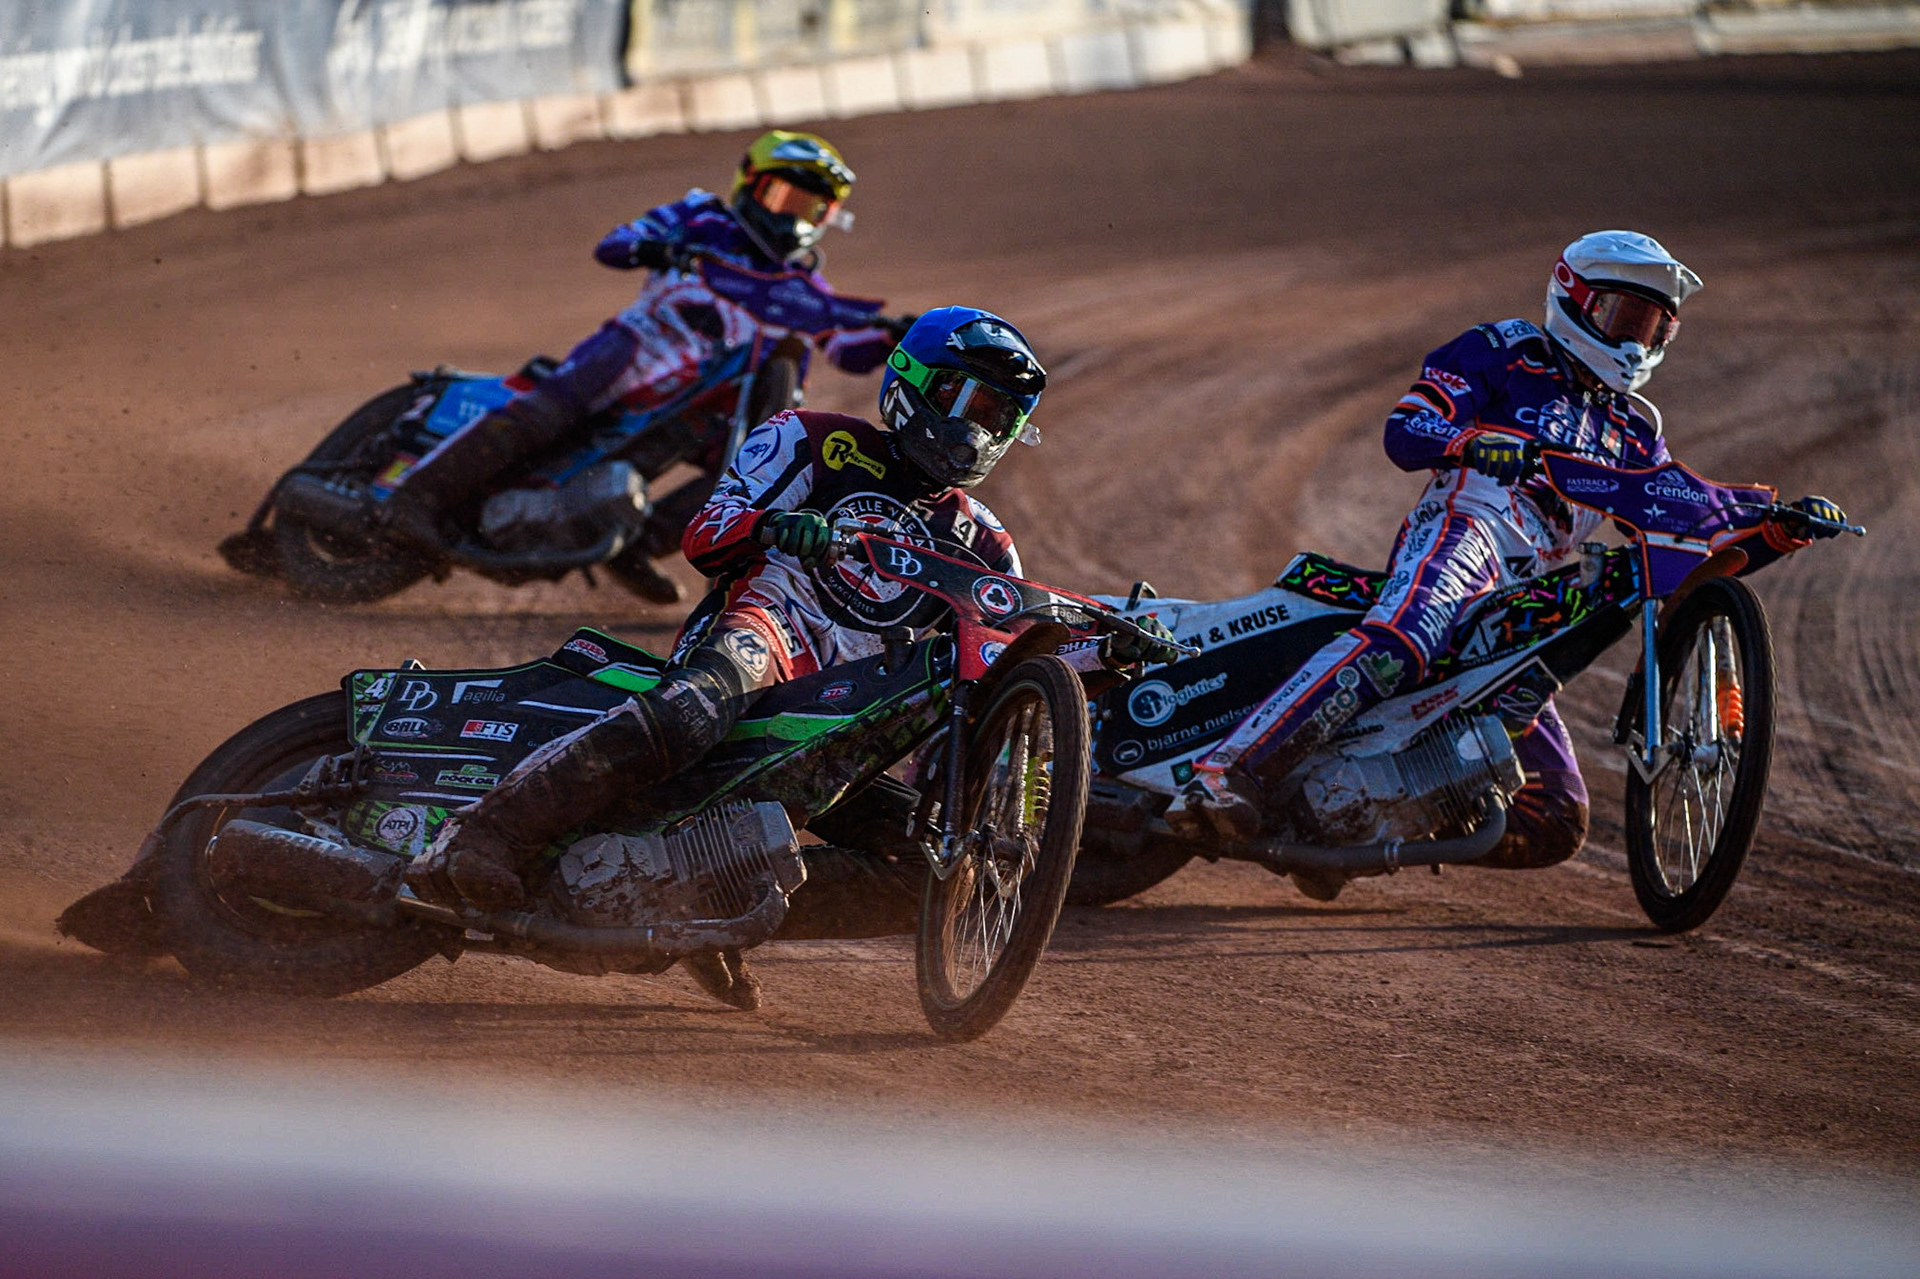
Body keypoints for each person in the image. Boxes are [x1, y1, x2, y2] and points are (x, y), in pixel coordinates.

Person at [412, 306, 1179, 914]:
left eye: (1003, 417)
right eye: (970, 401)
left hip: (852, 714)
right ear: (915, 379)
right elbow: (703, 535)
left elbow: (1002, 662)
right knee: (693, 712)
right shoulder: (809, 440)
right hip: (763, 636)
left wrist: (1104, 658)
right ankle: (485, 834)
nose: (980, 429)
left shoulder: (986, 541)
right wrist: (775, 526)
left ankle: (697, 905)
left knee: (929, 869)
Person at [1165, 230, 1848, 891]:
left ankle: (1348, 833)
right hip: (1469, 531)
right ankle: (1225, 772)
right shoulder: (1505, 350)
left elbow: (1684, 532)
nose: (1634, 340)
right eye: (1623, 316)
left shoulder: (1636, 429)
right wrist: (1473, 441)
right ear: (1573, 298)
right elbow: (1406, 431)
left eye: (1652, 328)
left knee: (1556, 818)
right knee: (1403, 642)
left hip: (1528, 594)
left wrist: (1775, 530)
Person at [380, 130, 904, 601]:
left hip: (698, 406)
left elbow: (846, 349)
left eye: (810, 208)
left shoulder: (805, 290)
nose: (791, 217)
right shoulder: (701, 217)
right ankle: (416, 498)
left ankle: (634, 545)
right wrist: (653, 247)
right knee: (556, 407)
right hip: (635, 355)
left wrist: (895, 338)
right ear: (750, 184)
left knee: (752, 472)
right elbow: (615, 244)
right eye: (783, 198)